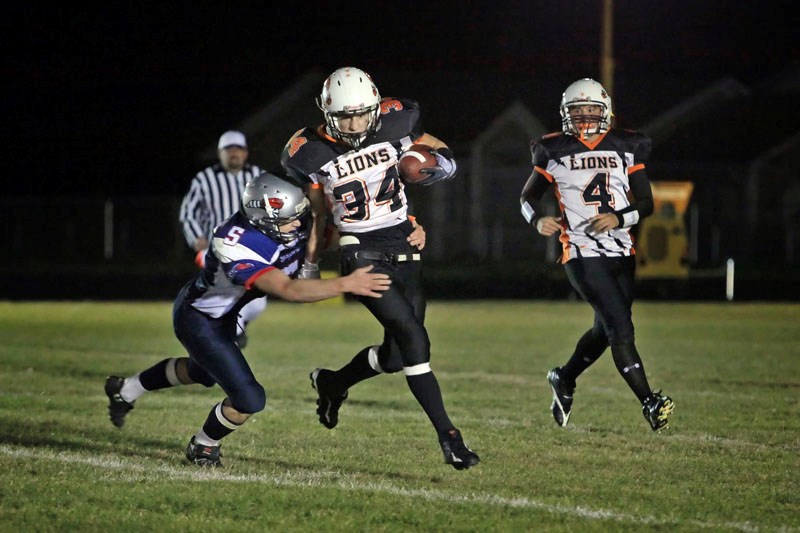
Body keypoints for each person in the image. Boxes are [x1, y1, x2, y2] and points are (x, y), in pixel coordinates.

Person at [105, 171, 391, 467]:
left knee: (201, 372)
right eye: (290, 219)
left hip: (225, 314)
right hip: (199, 317)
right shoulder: (237, 244)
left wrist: (399, 233)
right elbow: (288, 290)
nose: (297, 223)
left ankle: (126, 389)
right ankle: (203, 446)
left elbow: (329, 235)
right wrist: (346, 284)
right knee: (249, 399)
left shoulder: (285, 220)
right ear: (264, 220)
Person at [280, 66, 479, 470]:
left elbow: (445, 156)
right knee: (414, 340)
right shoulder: (308, 151)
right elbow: (321, 218)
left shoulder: (398, 121)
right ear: (326, 113)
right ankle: (450, 437)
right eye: (344, 116)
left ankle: (333, 383)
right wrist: (311, 265)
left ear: (375, 106)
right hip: (360, 250)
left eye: (360, 113)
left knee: (393, 357)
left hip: (404, 240)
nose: (354, 124)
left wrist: (435, 169)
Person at [519, 78, 675, 432]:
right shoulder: (553, 150)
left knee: (604, 330)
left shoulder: (627, 145)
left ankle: (564, 377)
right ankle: (650, 402)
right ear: (566, 115)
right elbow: (527, 198)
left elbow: (647, 204)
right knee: (621, 327)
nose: (586, 117)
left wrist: (619, 218)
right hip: (580, 249)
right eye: (579, 111)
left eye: (592, 110)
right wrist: (537, 219)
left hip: (621, 248)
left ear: (606, 113)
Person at [178, 130, 265, 347]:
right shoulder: (204, 179)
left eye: (238, 149)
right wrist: (196, 238)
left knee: (258, 300)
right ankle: (230, 333)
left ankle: (234, 327)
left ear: (245, 152)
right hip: (217, 252)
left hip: (252, 249)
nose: (234, 153)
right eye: (229, 149)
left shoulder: (259, 176)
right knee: (223, 296)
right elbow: (187, 213)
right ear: (220, 153)